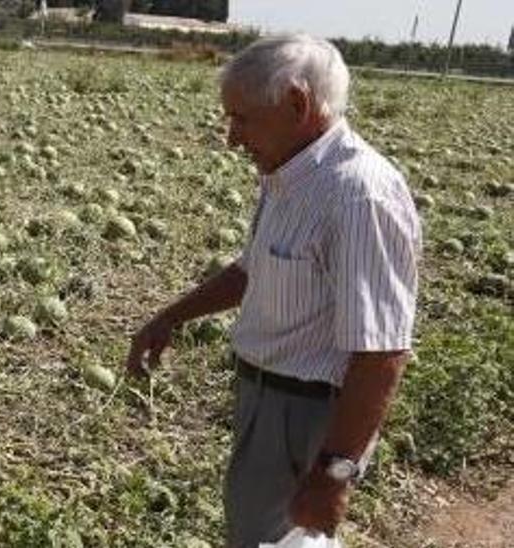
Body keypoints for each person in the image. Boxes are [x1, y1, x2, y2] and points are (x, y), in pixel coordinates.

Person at [124, 34, 422, 547]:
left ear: (297, 104)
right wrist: (172, 316)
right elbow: (253, 269)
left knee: (268, 540)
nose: (231, 138)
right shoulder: (289, 174)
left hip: (306, 416)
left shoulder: (357, 197)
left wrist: (332, 474)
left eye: (242, 119)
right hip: (267, 399)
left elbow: (382, 353)